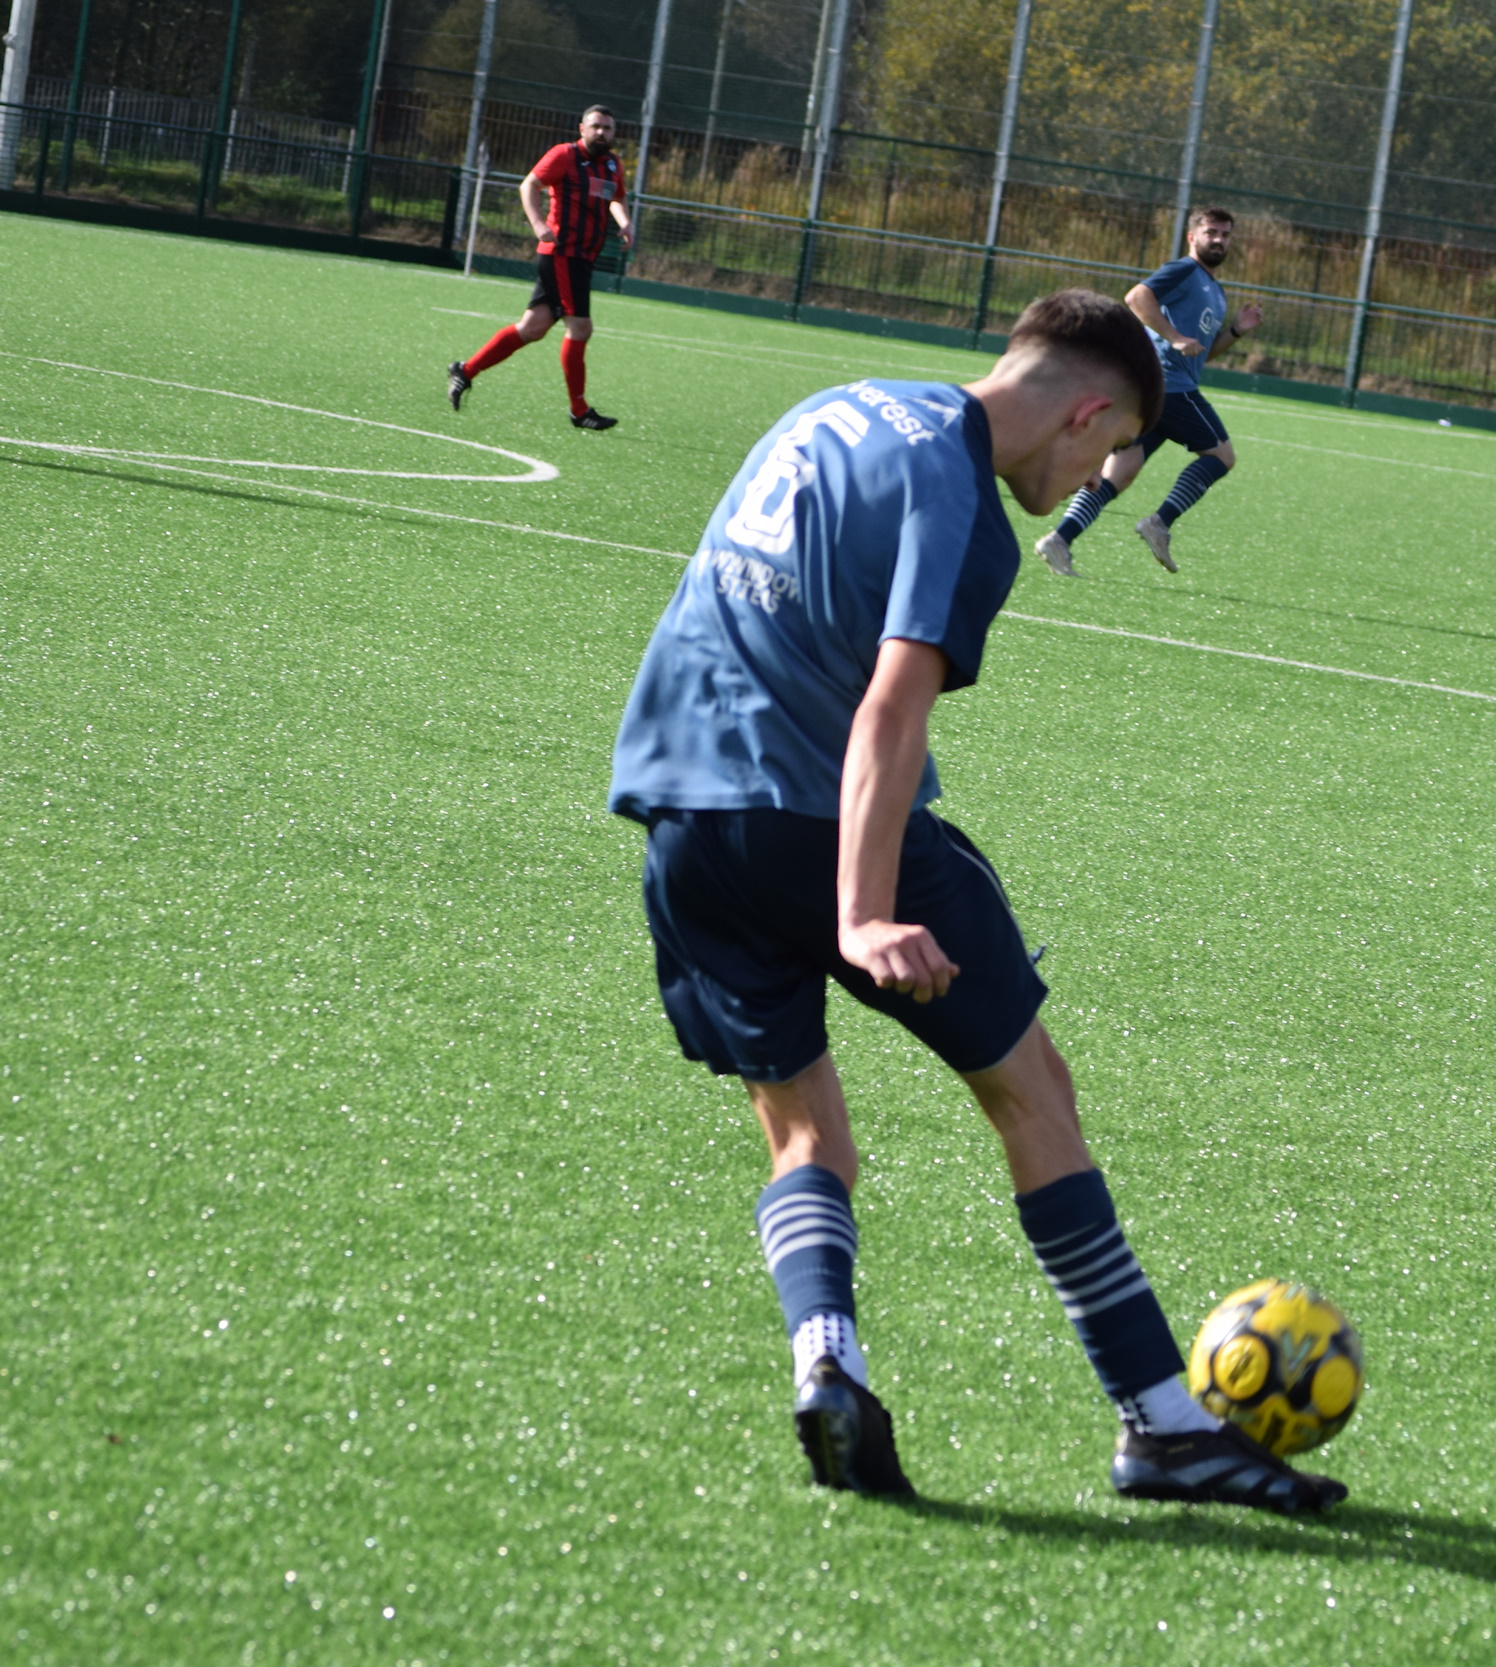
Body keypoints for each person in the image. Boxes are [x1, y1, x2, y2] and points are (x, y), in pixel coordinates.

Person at [606, 290, 1346, 1514]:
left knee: (805, 1133)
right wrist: (858, 908)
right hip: (822, 820)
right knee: (1029, 1089)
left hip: (685, 811)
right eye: (1108, 457)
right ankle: (1161, 1422)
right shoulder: (964, 504)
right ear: (1090, 409)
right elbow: (891, 708)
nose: (1089, 483)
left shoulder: (835, 407)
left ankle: (826, 1362)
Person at [1034, 207, 1262, 576]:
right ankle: (1159, 522)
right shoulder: (1184, 271)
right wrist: (1174, 337)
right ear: (1192, 237)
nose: (1219, 240)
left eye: (1226, 234)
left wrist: (1235, 331)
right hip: (1166, 384)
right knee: (1222, 456)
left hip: (1156, 387)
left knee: (1119, 474)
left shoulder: (1216, 292)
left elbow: (1201, 354)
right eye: (1211, 232)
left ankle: (1059, 540)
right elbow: (1137, 297)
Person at [447, 105, 635, 430]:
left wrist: (626, 222)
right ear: (582, 128)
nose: (602, 132)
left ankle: (465, 371)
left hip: (583, 256)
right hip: (563, 252)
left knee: (532, 328)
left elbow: (616, 198)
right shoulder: (564, 155)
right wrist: (537, 223)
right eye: (596, 126)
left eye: (608, 128)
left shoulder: (612, 164)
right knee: (580, 328)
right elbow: (529, 184)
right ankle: (579, 410)